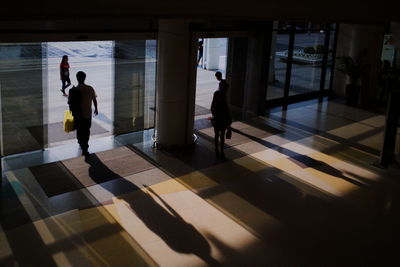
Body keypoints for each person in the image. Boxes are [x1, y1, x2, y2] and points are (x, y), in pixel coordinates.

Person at [68, 71, 98, 156]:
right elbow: (94, 99)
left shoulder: (74, 90)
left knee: (79, 129)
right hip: (88, 113)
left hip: (78, 114)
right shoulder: (90, 88)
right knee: (86, 130)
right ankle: (85, 146)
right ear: (85, 78)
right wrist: (96, 109)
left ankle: (81, 143)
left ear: (77, 78)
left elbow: (70, 102)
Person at [210, 71, 231, 158]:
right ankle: (222, 149)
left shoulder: (216, 94)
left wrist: (213, 116)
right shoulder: (225, 101)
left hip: (217, 118)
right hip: (223, 119)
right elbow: (228, 114)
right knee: (222, 135)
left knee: (216, 134)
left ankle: (216, 147)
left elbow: (212, 108)